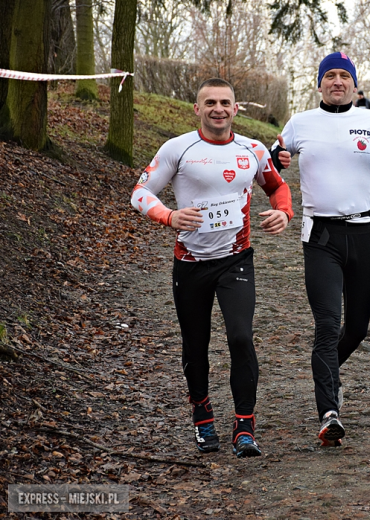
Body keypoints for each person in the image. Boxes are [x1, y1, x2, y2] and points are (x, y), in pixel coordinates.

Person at [130, 78, 293, 458]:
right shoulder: (178, 148)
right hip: (190, 263)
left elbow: (278, 187)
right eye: (210, 103)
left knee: (240, 337)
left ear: (236, 109)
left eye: (225, 102)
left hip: (236, 259)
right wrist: (169, 215)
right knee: (196, 344)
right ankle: (202, 415)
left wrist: (284, 212)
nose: (218, 109)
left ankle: (244, 426)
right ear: (197, 109)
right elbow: (140, 192)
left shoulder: (251, 149)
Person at [270, 52, 370, 446]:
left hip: (365, 234)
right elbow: (270, 165)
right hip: (322, 238)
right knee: (328, 326)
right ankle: (329, 411)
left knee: (359, 328)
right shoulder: (300, 123)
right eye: (329, 76)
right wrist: (277, 159)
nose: (336, 82)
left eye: (343, 76)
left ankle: (326, 373)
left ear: (353, 84)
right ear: (319, 84)